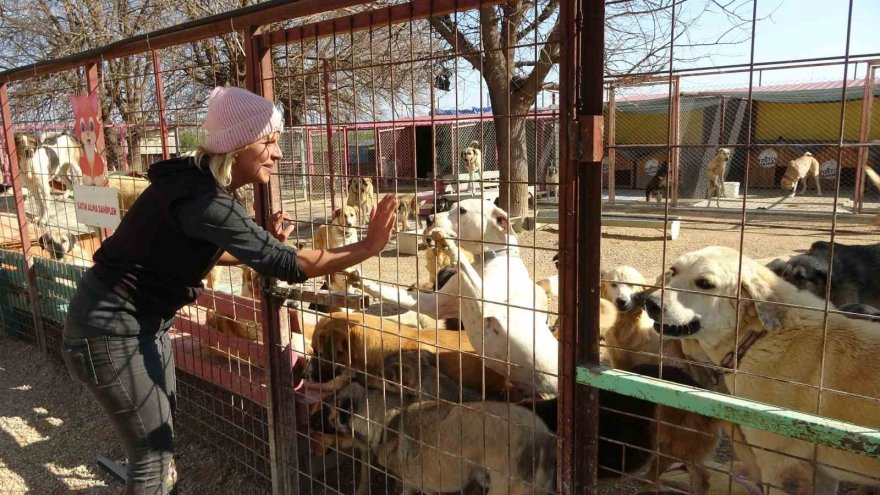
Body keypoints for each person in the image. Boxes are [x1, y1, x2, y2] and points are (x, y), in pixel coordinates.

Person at [60, 86, 397, 495]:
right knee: (152, 455)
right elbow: (287, 265)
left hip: (139, 325)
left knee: (160, 440)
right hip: (110, 332)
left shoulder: (193, 182)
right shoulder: (206, 199)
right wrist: (367, 247)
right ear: (238, 146)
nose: (278, 154)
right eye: (269, 142)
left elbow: (192, 251)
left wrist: (258, 245)